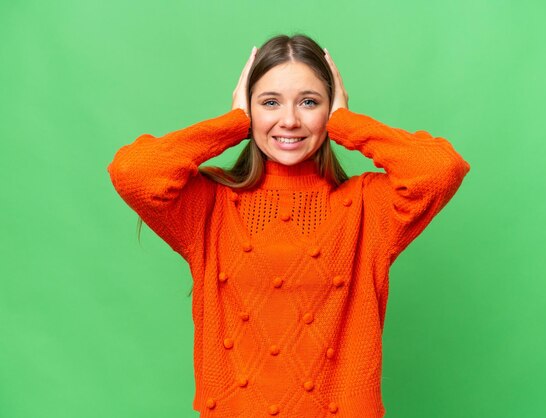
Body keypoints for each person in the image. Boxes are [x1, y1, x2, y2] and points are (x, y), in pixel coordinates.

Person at [107, 34, 470, 418]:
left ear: (330, 110)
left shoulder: (368, 209)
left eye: (309, 102)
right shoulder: (209, 205)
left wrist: (348, 124)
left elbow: (440, 170)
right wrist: (232, 124)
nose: (290, 120)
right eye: (269, 102)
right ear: (249, 109)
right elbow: (134, 172)